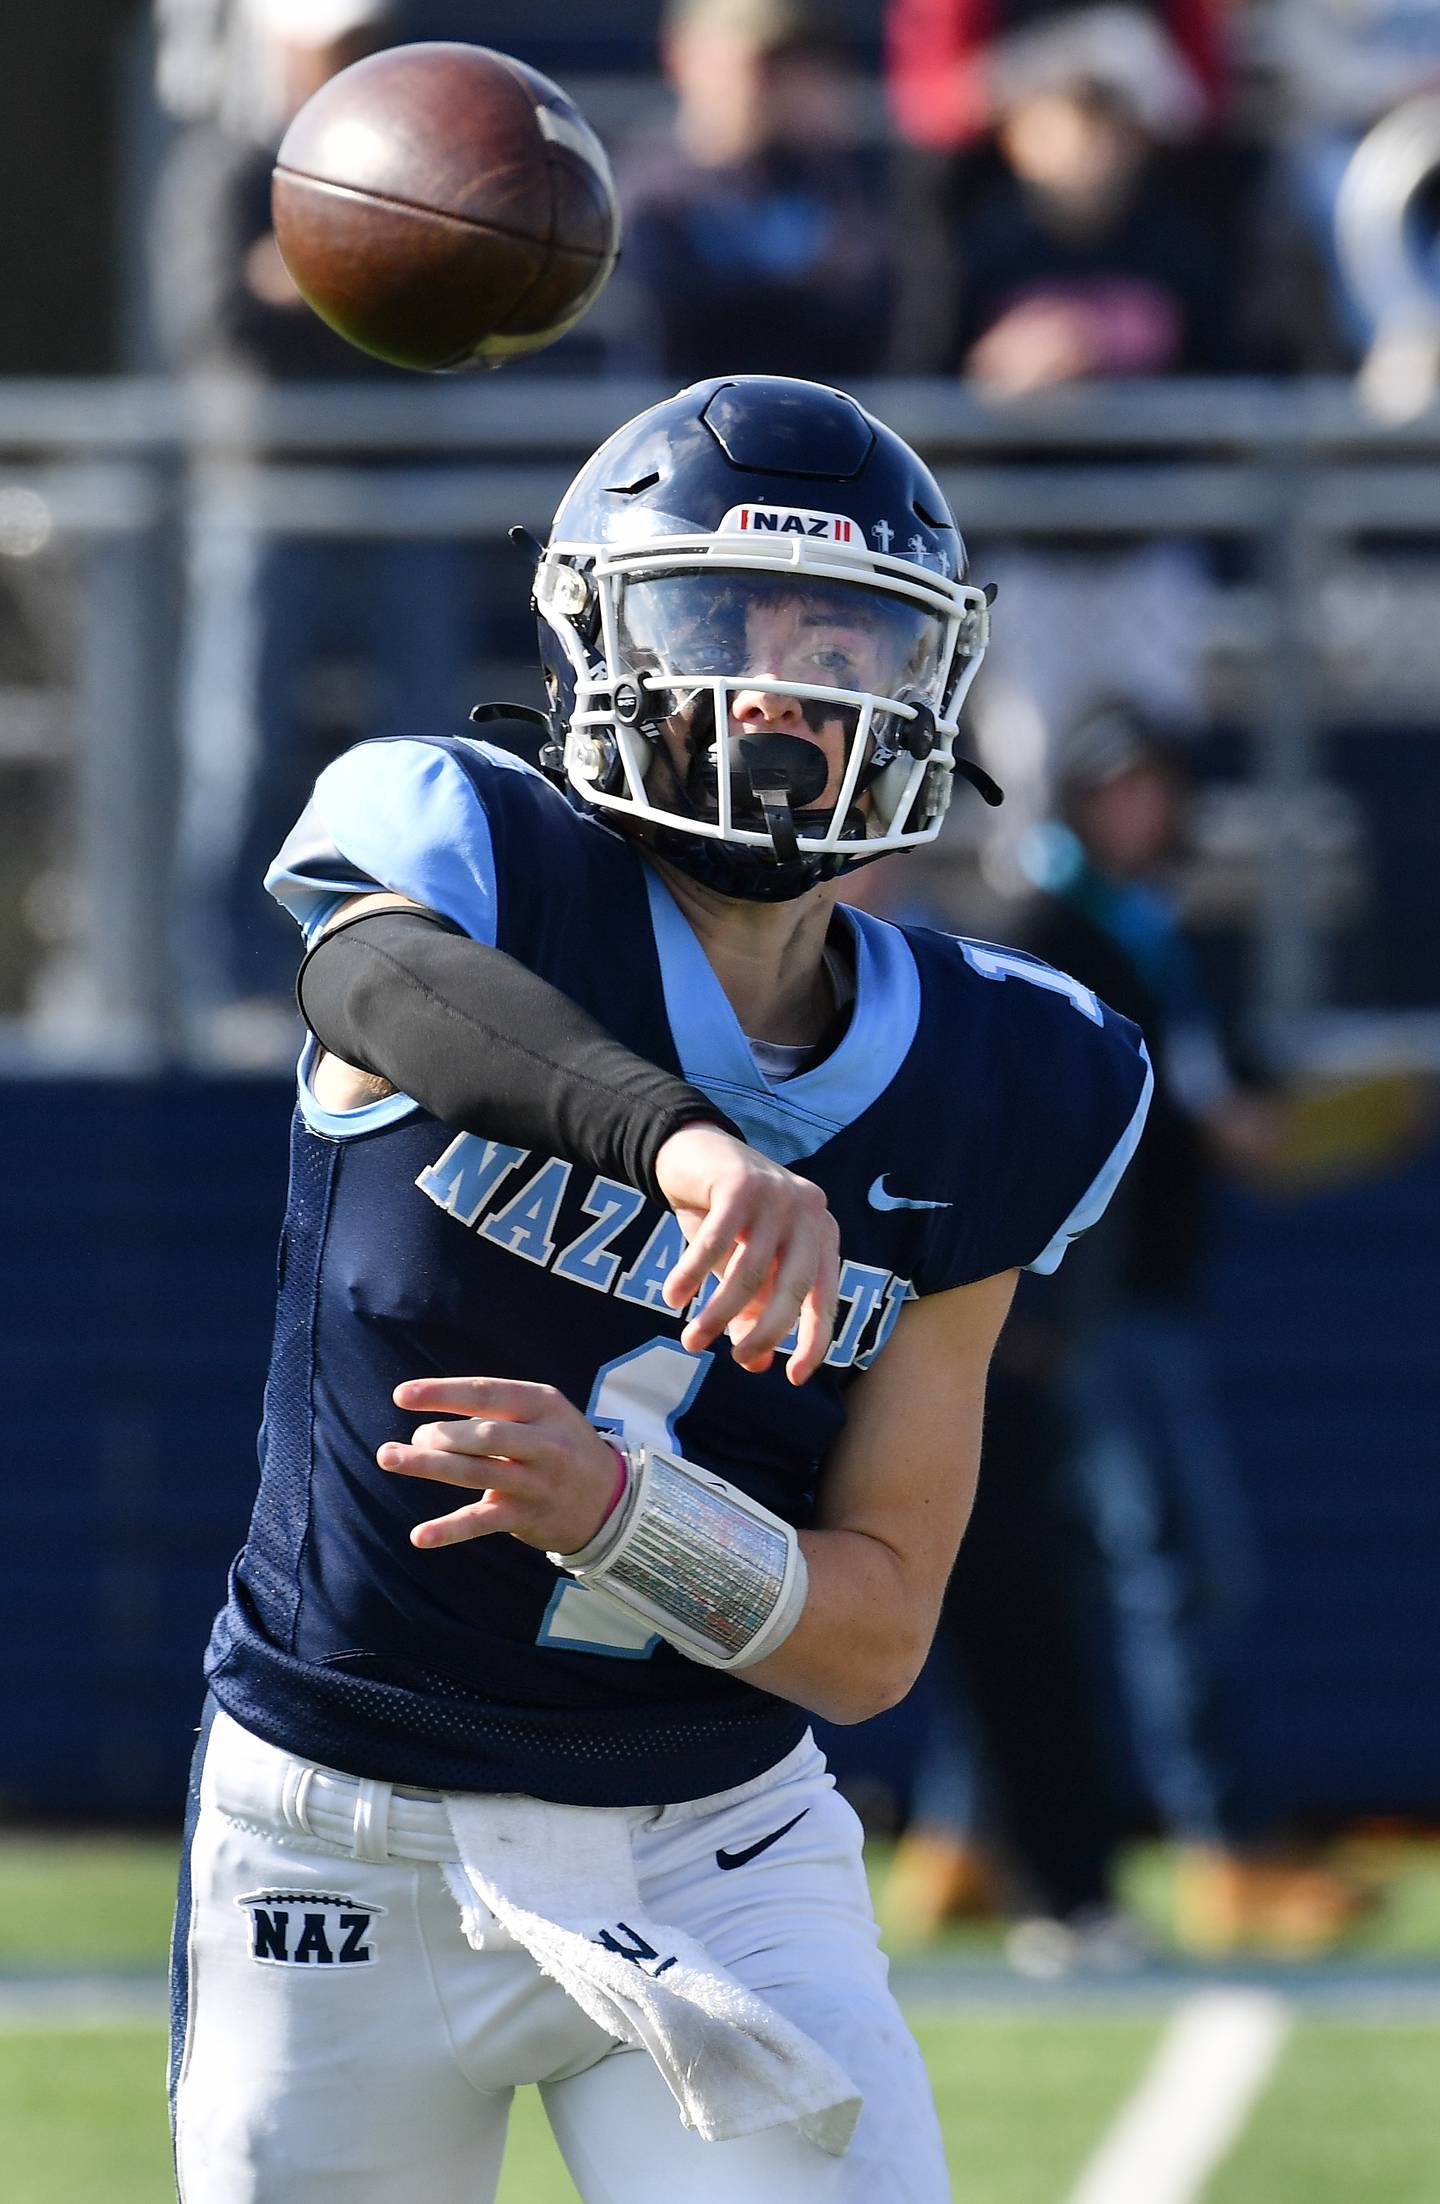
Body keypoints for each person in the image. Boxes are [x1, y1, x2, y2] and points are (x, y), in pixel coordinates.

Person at [169, 375, 1152, 2202]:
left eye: (848, 632)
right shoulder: (461, 838)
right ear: (597, 638)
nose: (789, 683)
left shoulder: (1021, 1067)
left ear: (934, 684)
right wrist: (690, 1149)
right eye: (731, 621)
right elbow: (386, 987)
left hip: (718, 1837)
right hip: (342, 1829)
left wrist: (630, 1516)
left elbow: (868, 1640)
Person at [609, 0, 894, 382]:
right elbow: (675, 320)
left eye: (796, 62)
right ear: (681, 56)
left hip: (815, 425)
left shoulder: (842, 180)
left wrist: (838, 162)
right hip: (677, 429)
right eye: (759, 62)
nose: (775, 83)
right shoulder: (642, 185)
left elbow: (870, 310)